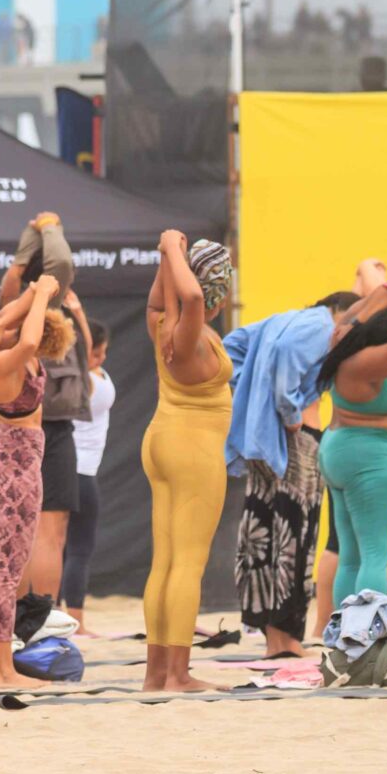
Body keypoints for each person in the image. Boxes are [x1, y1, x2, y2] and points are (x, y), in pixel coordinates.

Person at [223, 272, 376, 655]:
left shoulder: (282, 320)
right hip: (296, 440)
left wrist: (250, 390)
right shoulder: (319, 326)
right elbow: (289, 361)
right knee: (296, 535)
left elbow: (229, 348)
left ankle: (275, 638)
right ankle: (287, 640)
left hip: (263, 440)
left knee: (264, 533)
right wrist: (288, 410)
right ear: (340, 312)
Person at [140, 233, 236, 693]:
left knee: (164, 562)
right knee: (188, 564)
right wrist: (172, 249)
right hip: (193, 449)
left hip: (160, 439)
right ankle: (178, 674)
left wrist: (165, 254)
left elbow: (171, 296)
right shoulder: (191, 336)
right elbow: (194, 295)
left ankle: (155, 673)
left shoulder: (162, 325)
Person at [0, 214, 89, 615]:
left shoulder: (15, 310)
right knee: (35, 531)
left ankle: (34, 619)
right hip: (25, 434)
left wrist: (34, 237)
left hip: (42, 428)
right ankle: (32, 619)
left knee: (40, 530)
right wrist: (50, 227)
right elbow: (59, 266)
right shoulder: (11, 309)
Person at [0, 276, 71, 687]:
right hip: (13, 467)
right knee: (4, 573)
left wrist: (33, 293)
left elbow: (5, 320)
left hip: (1, 460)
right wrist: (44, 296)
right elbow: (29, 340)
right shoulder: (1, 362)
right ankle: (0, 670)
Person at [318, 274, 387, 604]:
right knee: (376, 553)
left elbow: (362, 308)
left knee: (351, 555)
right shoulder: (366, 363)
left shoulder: (343, 343)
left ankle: (344, 638)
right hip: (367, 458)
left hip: (342, 452)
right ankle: (366, 640)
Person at [57, 320, 114, 621]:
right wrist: (77, 314)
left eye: (104, 352)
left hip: (70, 468)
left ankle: (56, 613)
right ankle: (75, 620)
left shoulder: (75, 376)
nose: (101, 358)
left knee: (60, 546)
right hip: (80, 470)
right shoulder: (83, 380)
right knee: (78, 548)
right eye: (96, 352)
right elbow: (83, 352)